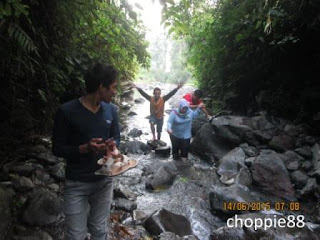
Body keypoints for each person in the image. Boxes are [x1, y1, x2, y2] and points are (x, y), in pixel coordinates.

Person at [52, 63, 120, 240]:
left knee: (99, 230)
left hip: (104, 182)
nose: (115, 92)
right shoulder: (66, 111)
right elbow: (57, 148)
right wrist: (83, 148)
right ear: (101, 87)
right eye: (113, 87)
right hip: (76, 184)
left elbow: (116, 137)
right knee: (76, 235)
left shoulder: (111, 110)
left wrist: (112, 149)